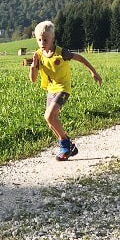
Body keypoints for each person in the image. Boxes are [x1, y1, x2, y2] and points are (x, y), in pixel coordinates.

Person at [29, 20, 102, 161]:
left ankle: (65, 144)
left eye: (45, 39)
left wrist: (93, 72)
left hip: (63, 89)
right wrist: (33, 66)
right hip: (51, 89)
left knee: (49, 116)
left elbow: (80, 58)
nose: (42, 43)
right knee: (51, 122)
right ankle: (68, 146)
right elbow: (33, 79)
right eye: (39, 40)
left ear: (53, 39)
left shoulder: (61, 52)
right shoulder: (38, 55)